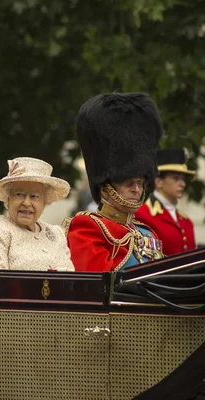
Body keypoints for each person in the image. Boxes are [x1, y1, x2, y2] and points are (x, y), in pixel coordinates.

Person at [67, 93, 164, 272]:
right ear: (105, 189)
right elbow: (98, 286)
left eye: (140, 183)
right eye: (129, 183)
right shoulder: (88, 228)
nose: (137, 189)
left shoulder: (148, 233)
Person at [0, 157, 74, 271]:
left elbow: (70, 278)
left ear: (44, 202)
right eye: (19, 194)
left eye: (34, 196)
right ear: (8, 198)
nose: (26, 203)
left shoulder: (57, 234)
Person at [135, 148, 197, 255]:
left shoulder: (186, 222)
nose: (183, 184)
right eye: (176, 178)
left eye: (183, 179)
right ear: (159, 182)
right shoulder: (142, 215)